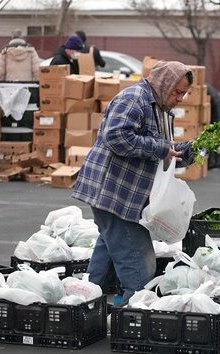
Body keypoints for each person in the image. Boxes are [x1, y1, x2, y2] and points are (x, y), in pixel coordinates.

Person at [71, 61, 195, 304]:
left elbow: (158, 152)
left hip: (127, 195)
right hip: (113, 193)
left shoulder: (161, 109)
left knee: (108, 255)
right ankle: (134, 313)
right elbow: (117, 137)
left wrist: (184, 152)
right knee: (139, 264)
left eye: (184, 93)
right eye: (177, 92)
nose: (180, 98)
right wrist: (161, 148)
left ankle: (85, 306)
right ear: (164, 84)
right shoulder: (134, 98)